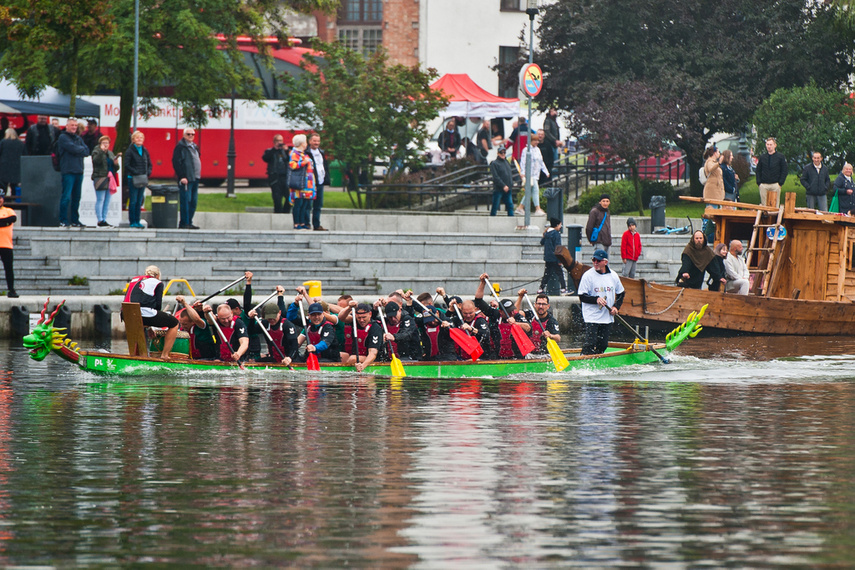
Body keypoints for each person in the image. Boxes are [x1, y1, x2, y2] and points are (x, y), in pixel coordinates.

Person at [123, 265, 180, 359]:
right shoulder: (158, 282)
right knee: (174, 323)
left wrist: (149, 327)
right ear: (157, 276)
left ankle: (137, 355)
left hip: (126, 314)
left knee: (141, 322)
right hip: (143, 313)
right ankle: (165, 355)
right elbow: (157, 306)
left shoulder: (134, 279)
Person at [577, 249, 624, 355]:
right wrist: (596, 299)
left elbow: (621, 293)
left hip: (606, 316)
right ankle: (584, 359)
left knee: (603, 344)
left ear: (605, 262)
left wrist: (616, 307)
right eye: (593, 260)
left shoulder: (613, 275)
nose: (595, 263)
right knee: (590, 342)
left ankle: (597, 359)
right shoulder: (588, 276)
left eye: (598, 261)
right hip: (592, 315)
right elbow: (582, 296)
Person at [474, 273, 531, 359]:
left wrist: (516, 323)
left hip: (516, 356)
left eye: (512, 310)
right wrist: (483, 283)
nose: (511, 313)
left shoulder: (516, 316)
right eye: (508, 311)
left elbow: (528, 327)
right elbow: (478, 301)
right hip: (496, 355)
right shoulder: (495, 314)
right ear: (500, 311)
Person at [57, 117, 90, 228]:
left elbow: (86, 151)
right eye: (72, 125)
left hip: (79, 171)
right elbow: (74, 149)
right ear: (67, 126)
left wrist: (78, 149)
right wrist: (79, 149)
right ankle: (63, 220)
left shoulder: (78, 138)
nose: (74, 127)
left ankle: (75, 220)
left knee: (76, 197)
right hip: (68, 171)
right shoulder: (62, 137)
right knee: (66, 197)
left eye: (76, 125)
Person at [341, 302, 385, 371]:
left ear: (370, 314)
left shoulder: (375, 328)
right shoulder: (354, 322)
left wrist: (362, 366)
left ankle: (344, 375)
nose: (361, 320)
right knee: (341, 355)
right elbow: (341, 317)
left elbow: (373, 353)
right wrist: (349, 307)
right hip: (358, 356)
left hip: (373, 358)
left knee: (353, 358)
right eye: (359, 318)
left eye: (364, 317)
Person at [172, 127, 201, 229]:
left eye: (192, 134)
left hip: (195, 178)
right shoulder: (180, 147)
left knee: (193, 201)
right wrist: (182, 176)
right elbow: (176, 162)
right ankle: (184, 223)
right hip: (186, 179)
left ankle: (189, 221)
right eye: (188, 134)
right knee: (186, 201)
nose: (191, 136)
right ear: (184, 135)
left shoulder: (194, 147)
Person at [514, 290, 560, 355]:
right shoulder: (530, 314)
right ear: (535, 305)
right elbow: (514, 314)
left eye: (543, 304)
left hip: (544, 355)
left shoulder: (551, 320)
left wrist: (550, 335)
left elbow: (558, 338)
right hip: (528, 354)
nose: (541, 306)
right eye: (539, 304)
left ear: (548, 306)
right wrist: (520, 297)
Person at [124, 130, 152, 229]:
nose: (139, 139)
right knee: (133, 200)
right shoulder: (130, 151)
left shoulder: (145, 150)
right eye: (137, 138)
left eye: (141, 138)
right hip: (133, 178)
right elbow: (127, 165)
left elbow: (149, 163)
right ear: (133, 140)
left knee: (139, 201)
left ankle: (138, 220)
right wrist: (135, 172)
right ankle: (133, 221)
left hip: (143, 178)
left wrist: (148, 172)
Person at [90, 135, 118, 227]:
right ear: (100, 144)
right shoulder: (96, 151)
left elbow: (116, 168)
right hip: (100, 177)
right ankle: (100, 219)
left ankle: (104, 219)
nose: (106, 145)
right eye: (103, 143)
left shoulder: (110, 153)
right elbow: (95, 161)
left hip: (110, 178)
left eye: (107, 143)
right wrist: (101, 152)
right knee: (100, 199)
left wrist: (116, 164)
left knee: (107, 200)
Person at [517, 134, 548, 216]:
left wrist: (546, 171)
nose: (537, 142)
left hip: (536, 174)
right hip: (529, 174)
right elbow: (523, 162)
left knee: (529, 192)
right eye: (535, 140)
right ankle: (537, 208)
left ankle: (520, 207)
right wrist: (522, 173)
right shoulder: (526, 150)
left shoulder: (538, 150)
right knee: (535, 190)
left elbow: (541, 162)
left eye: (537, 140)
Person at [289, 134, 314, 231]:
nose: (306, 144)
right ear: (302, 143)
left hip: (307, 184)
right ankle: (296, 223)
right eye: (305, 142)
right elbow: (293, 165)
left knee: (305, 204)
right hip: (299, 183)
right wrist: (304, 162)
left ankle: (302, 222)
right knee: (298, 203)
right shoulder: (294, 153)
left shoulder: (304, 154)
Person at [262, 134, 291, 214]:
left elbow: (291, 160)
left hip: (285, 177)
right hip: (275, 178)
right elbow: (265, 158)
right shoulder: (270, 151)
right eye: (277, 141)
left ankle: (285, 212)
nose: (279, 142)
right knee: (277, 199)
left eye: (281, 141)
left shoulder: (286, 151)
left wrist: (287, 151)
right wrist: (275, 149)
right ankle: (278, 214)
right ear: (274, 142)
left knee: (289, 198)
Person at [755, 137, 787, 207]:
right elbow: (758, 170)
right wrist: (759, 182)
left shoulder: (780, 157)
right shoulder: (763, 157)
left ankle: (774, 217)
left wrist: (780, 183)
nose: (769, 146)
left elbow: (784, 170)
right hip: (764, 184)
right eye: (767, 144)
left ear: (775, 145)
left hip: (775, 184)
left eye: (771, 145)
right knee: (764, 205)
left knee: (775, 204)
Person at [539, 218, 568, 295]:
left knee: (547, 273)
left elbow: (542, 242)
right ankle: (563, 288)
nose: (560, 227)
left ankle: (541, 288)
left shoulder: (547, 233)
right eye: (560, 225)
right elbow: (558, 247)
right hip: (555, 258)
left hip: (548, 257)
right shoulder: (556, 234)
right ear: (557, 225)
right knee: (560, 273)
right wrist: (560, 260)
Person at [307, 132, 330, 231]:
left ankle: (317, 225)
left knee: (318, 205)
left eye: (318, 141)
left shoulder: (321, 152)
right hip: (310, 182)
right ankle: (307, 223)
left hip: (320, 182)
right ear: (310, 141)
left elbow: (324, 166)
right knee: (308, 204)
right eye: (314, 141)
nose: (316, 143)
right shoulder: (307, 152)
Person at [0, 129, 26, 201]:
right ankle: (14, 200)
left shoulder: (3, 142)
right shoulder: (21, 143)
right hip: (16, 168)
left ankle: (4, 201)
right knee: (14, 186)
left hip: (4, 168)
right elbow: (25, 155)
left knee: (3, 186)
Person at [0, 191, 17, 297]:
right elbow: (7, 221)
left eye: (0, 198)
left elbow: (12, 219)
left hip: (6, 244)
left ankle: (11, 289)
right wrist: (4, 222)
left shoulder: (8, 210)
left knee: (9, 269)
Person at [489, 146, 514, 216]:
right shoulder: (494, 163)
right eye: (501, 152)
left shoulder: (506, 162)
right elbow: (495, 177)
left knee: (510, 205)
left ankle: (511, 219)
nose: (503, 154)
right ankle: (492, 219)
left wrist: (510, 184)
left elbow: (509, 174)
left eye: (504, 152)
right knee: (495, 206)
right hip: (499, 189)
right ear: (498, 153)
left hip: (508, 188)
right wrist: (503, 185)